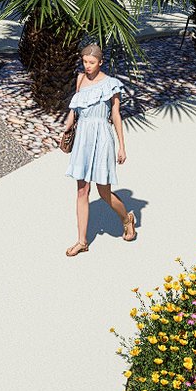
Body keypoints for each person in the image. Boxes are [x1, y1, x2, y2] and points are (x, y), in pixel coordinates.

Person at [63, 40, 137, 258]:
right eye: (85, 61)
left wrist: (122, 146)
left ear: (101, 62)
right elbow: (74, 108)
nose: (87, 66)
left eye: (92, 62)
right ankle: (81, 241)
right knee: (82, 190)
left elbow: (115, 115)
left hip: (102, 137)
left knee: (103, 192)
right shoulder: (80, 79)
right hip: (83, 138)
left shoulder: (111, 83)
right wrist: (67, 126)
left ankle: (127, 218)